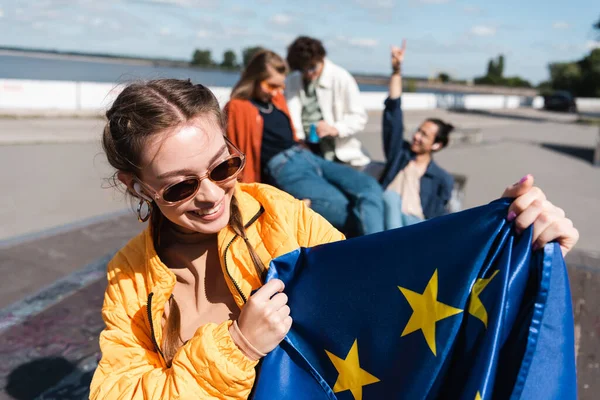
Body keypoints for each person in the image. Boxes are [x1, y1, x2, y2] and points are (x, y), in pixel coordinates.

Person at [90, 77, 579, 399]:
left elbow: (381, 293)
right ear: (137, 186)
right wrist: (238, 346)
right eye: (179, 185)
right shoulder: (130, 278)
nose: (211, 194)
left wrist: (512, 247)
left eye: (224, 165)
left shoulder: (282, 218)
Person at [225, 50, 384, 236]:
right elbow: (235, 156)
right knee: (343, 210)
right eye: (271, 85)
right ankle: (383, 252)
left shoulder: (276, 100)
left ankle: (382, 246)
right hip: (283, 167)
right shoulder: (238, 107)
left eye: (281, 86)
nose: (277, 92)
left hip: (306, 155)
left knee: (369, 186)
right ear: (254, 77)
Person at [379, 41, 454, 229]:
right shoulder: (400, 155)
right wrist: (396, 71)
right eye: (418, 131)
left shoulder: (441, 179)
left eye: (424, 135)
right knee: (390, 197)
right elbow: (393, 114)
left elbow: (436, 218)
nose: (417, 136)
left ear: (436, 145)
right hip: (386, 218)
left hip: (415, 226)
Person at [285, 36, 371, 167]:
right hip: (304, 152)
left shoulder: (341, 77)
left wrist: (334, 129)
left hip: (340, 156)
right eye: (303, 70)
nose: (308, 73)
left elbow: (359, 117)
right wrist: (299, 141)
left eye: (312, 67)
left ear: (321, 59)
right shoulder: (292, 80)